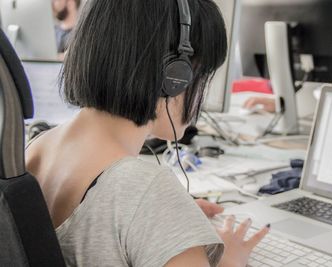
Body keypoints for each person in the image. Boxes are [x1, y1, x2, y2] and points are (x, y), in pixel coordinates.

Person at [25, 0, 269, 266]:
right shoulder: (144, 189)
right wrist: (230, 261)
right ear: (174, 76)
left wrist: (167, 224)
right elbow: (129, 201)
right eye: (203, 77)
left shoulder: (36, 147)